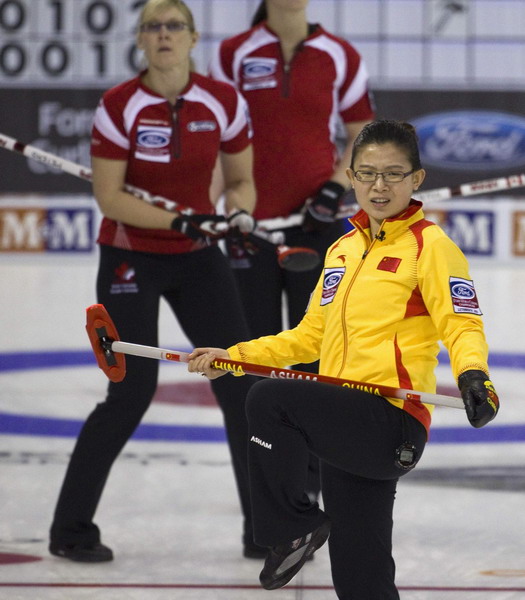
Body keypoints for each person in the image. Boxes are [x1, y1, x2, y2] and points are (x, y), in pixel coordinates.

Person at [187, 120, 500, 597]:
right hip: (344, 419)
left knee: (269, 401)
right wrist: (232, 357)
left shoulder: (431, 247)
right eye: (367, 173)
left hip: (389, 418)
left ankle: (291, 527)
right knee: (360, 576)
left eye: (393, 174)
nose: (379, 186)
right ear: (350, 177)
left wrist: (475, 377)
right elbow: (310, 336)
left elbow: (462, 324)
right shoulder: (342, 249)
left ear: (417, 179)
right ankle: (304, 533)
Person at [48, 0, 265, 562]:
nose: (164, 35)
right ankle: (70, 530)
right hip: (130, 258)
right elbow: (110, 197)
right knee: (130, 391)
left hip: (198, 255)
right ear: (140, 41)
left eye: (174, 26)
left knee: (239, 385)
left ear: (193, 39)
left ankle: (263, 529)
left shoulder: (223, 101)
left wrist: (238, 213)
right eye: (153, 27)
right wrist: (178, 218)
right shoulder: (119, 105)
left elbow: (241, 180)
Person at [209, 0, 375, 498]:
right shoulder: (234, 53)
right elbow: (219, 139)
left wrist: (333, 186)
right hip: (251, 230)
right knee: (257, 362)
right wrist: (216, 207)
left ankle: (312, 489)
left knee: (315, 362)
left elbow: (362, 137)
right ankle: (271, 498)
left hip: (316, 226)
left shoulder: (338, 54)